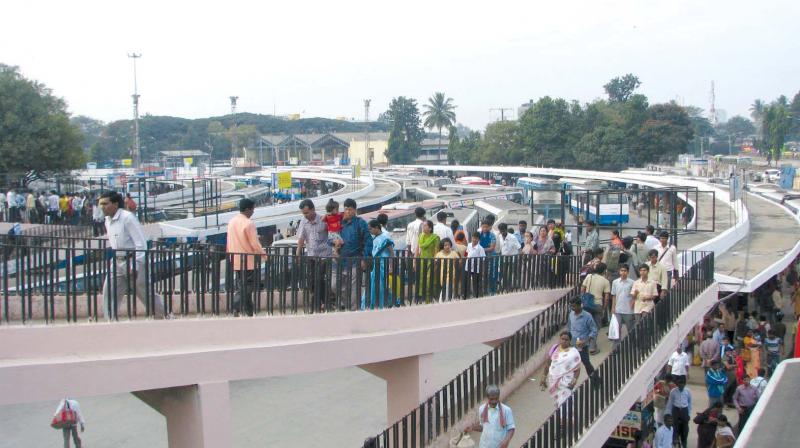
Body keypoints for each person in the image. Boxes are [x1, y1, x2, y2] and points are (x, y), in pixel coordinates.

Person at [98, 191, 168, 320]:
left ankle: (163, 316)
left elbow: (140, 243)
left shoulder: (127, 218)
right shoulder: (107, 220)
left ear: (114, 204)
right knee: (109, 291)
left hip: (132, 259)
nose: (102, 207)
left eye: (105, 203)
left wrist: (136, 265)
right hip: (117, 260)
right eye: (100, 204)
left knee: (145, 292)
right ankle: (110, 321)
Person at [227, 198, 267, 316]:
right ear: (247, 209)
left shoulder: (232, 222)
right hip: (249, 261)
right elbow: (255, 244)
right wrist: (265, 256)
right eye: (252, 209)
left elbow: (229, 241)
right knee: (247, 287)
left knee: (243, 285)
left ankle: (249, 311)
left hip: (236, 259)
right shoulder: (249, 223)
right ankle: (236, 307)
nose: (253, 212)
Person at [296, 199, 331, 311]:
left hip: (325, 256)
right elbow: (301, 238)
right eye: (303, 213)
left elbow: (332, 233)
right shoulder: (303, 222)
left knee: (320, 279)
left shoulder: (323, 220)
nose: (305, 215)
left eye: (307, 213)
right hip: (311, 255)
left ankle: (316, 304)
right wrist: (298, 252)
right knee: (312, 281)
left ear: (313, 209)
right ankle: (322, 303)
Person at [337, 198, 372, 310]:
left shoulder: (360, 223)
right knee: (335, 285)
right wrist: (334, 244)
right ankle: (346, 304)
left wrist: (364, 258)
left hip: (355, 260)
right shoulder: (340, 223)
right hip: (340, 260)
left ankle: (354, 310)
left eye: (350, 209)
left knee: (354, 288)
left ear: (354, 210)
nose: (347, 211)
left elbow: (368, 242)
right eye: (346, 209)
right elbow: (330, 237)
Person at [540, 331, 582, 408]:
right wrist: (543, 378)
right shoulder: (554, 348)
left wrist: (574, 381)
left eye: (566, 340)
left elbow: (577, 369)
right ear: (560, 339)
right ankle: (561, 417)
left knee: (565, 403)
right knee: (558, 402)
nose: (564, 341)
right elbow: (548, 364)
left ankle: (565, 417)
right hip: (554, 381)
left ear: (570, 341)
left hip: (567, 382)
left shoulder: (573, 352)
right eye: (562, 339)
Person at [581, 262, 610, 354]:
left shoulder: (589, 276)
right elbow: (606, 297)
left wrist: (583, 299)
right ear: (604, 271)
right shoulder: (605, 281)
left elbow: (582, 288)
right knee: (596, 326)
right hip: (598, 305)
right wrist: (604, 308)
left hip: (587, 304)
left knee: (586, 325)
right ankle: (592, 347)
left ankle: (584, 345)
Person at [364, 219, 394, 309]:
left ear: (377, 228)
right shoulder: (374, 238)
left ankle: (382, 303)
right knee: (374, 285)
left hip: (383, 264)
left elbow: (391, 253)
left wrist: (391, 266)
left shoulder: (385, 238)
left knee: (381, 285)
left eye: (371, 229)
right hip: (375, 264)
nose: (370, 231)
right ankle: (376, 303)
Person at [567, 298, 597, 378]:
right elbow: (569, 328)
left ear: (580, 305)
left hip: (582, 346)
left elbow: (594, 330)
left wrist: (585, 341)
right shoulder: (571, 314)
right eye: (571, 306)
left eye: (574, 306)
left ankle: (595, 380)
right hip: (572, 345)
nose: (572, 308)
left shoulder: (587, 316)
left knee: (586, 363)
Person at [611, 265, 635, 347]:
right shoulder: (615, 282)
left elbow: (634, 296)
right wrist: (613, 307)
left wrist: (632, 304)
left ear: (628, 272)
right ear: (619, 271)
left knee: (630, 327)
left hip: (628, 310)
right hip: (618, 309)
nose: (623, 272)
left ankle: (632, 343)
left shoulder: (632, 282)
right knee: (617, 328)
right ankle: (616, 345)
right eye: (621, 270)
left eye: (625, 271)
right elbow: (614, 295)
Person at [416, 220, 440, 301]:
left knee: (429, 280)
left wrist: (436, 263)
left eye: (425, 225)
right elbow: (418, 249)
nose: (423, 227)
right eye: (423, 225)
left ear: (430, 228)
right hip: (422, 261)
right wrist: (414, 262)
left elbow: (437, 251)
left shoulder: (435, 237)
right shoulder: (420, 236)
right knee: (421, 279)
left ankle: (429, 297)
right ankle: (421, 297)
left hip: (431, 261)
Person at [665, 376, 691, 448]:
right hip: (676, 410)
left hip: (684, 410)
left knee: (685, 427)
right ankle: (675, 442)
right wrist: (667, 413)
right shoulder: (673, 391)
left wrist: (689, 414)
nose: (681, 386)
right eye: (679, 384)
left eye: (682, 384)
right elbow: (670, 403)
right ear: (677, 384)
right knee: (674, 426)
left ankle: (684, 441)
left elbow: (689, 403)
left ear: (685, 384)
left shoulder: (688, 391)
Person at [465, 231, 486, 298]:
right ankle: (467, 295)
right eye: (473, 238)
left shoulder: (480, 248)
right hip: (467, 267)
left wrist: (482, 270)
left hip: (476, 268)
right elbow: (467, 253)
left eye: (476, 238)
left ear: (478, 239)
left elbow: (483, 260)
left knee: (475, 283)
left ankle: (476, 295)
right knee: (467, 281)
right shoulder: (469, 245)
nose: (474, 239)